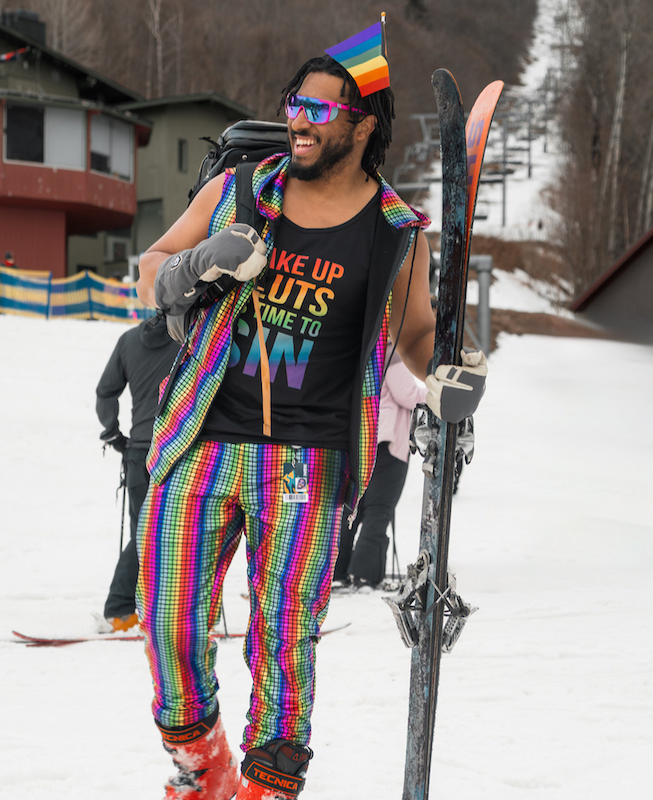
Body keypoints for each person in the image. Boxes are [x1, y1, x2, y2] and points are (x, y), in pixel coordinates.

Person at [133, 41, 488, 800]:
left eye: (317, 110)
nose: (298, 120)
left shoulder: (395, 228)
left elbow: (416, 332)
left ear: (361, 127)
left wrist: (451, 375)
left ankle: (268, 788)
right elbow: (147, 273)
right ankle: (202, 766)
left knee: (284, 640)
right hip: (199, 438)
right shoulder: (237, 192)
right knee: (164, 619)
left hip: (309, 461)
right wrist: (198, 265)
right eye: (294, 103)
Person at [95, 315, 181, 632]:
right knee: (163, 535)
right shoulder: (191, 334)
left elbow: (106, 392)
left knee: (145, 533)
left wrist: (112, 433)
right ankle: (120, 607)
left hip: (138, 452)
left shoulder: (129, 340)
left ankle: (142, 607)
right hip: (177, 450)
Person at [334, 343, 428, 590]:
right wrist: (440, 395)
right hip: (386, 441)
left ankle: (336, 572)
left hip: (359, 439)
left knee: (353, 508)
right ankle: (365, 575)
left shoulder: (355, 350)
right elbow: (407, 394)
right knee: (379, 509)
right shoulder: (388, 351)